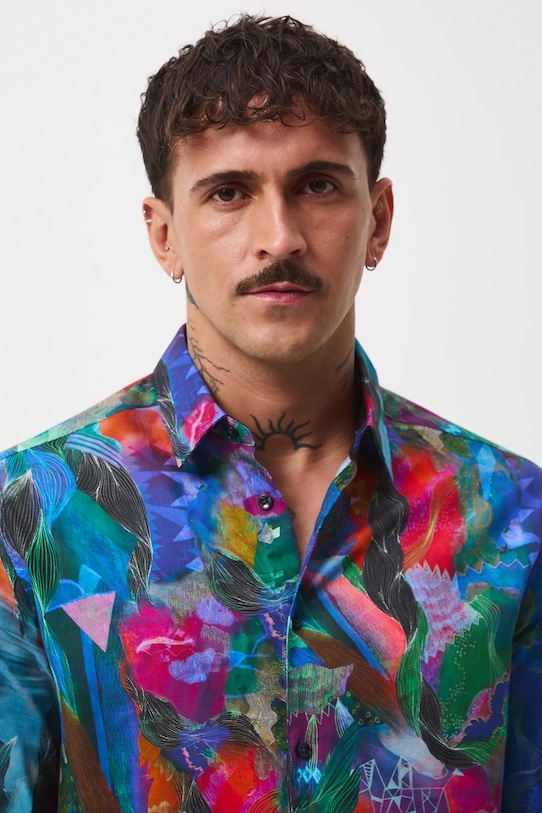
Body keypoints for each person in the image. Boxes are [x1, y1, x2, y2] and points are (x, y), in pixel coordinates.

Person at [0, 14, 540, 813]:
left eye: (317, 185)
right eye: (229, 192)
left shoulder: (515, 516)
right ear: (164, 235)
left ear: (379, 219)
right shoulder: (33, 514)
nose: (279, 237)